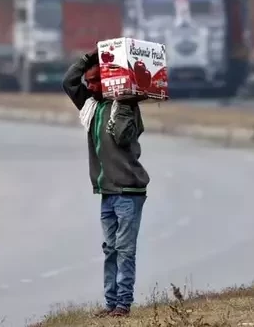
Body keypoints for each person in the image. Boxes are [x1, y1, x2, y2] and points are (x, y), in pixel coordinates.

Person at [62, 48, 149, 318]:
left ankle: (123, 304)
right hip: (107, 191)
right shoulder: (93, 106)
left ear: (110, 81)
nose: (89, 86)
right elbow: (69, 83)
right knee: (110, 249)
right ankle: (110, 304)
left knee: (124, 249)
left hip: (128, 191)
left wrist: (123, 101)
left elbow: (123, 137)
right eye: (88, 82)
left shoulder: (124, 107)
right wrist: (88, 59)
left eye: (95, 81)